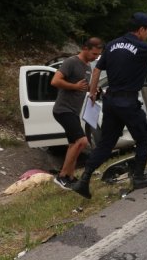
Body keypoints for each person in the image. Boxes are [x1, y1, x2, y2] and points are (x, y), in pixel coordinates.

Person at [70, 12, 147, 199]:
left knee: (106, 144)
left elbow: (96, 69)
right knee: (144, 139)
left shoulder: (111, 45)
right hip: (128, 102)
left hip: (110, 101)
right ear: (141, 29)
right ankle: (138, 177)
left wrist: (93, 92)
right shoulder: (141, 47)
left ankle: (84, 180)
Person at [50, 37, 104, 190]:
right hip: (63, 109)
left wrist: (93, 91)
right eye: (94, 54)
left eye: (98, 54)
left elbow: (84, 86)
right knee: (82, 141)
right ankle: (61, 176)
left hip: (74, 111)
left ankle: (71, 177)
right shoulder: (71, 62)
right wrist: (73, 86)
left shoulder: (87, 66)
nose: (96, 57)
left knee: (74, 144)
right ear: (85, 48)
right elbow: (55, 81)